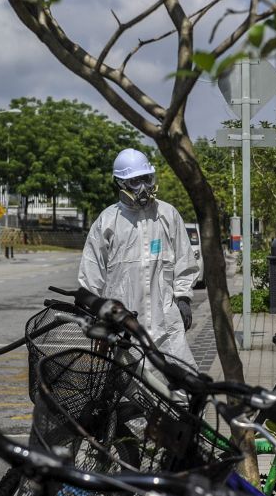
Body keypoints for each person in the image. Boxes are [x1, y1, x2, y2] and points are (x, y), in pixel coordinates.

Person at [79, 147, 199, 370]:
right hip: (125, 325)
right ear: (120, 183)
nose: (143, 187)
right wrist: (94, 313)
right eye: (135, 181)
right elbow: (91, 274)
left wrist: (183, 297)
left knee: (181, 386)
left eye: (146, 179)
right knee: (129, 391)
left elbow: (185, 260)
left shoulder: (167, 214)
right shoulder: (107, 221)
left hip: (166, 322)